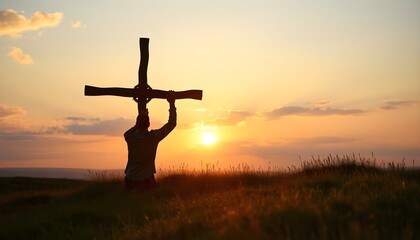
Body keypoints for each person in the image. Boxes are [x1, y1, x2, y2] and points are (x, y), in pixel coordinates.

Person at [124, 91, 176, 191]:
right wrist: (171, 103)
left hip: (130, 178)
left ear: (136, 123)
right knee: (147, 202)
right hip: (147, 179)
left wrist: (139, 120)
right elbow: (171, 124)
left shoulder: (129, 137)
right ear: (148, 124)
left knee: (129, 204)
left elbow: (128, 132)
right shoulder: (153, 137)